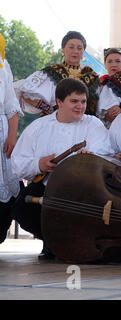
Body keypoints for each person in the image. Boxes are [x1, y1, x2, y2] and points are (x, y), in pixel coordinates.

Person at [10, 78, 111, 257]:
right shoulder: (38, 127)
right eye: (74, 101)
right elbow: (17, 163)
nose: (80, 106)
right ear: (59, 102)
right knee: (21, 207)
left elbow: (105, 152)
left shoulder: (93, 124)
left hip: (84, 192)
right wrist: (38, 164)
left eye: (83, 101)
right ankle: (51, 241)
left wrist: (90, 158)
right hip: (48, 189)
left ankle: (74, 243)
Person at [14, 31, 100, 116]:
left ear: (83, 52)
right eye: (71, 47)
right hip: (55, 124)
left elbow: (99, 108)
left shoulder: (92, 76)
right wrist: (52, 111)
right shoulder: (52, 72)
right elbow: (26, 94)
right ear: (63, 50)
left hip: (85, 126)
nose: (75, 51)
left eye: (79, 48)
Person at [0, 34, 23, 244]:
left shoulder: (2, 63)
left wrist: (12, 136)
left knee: (5, 186)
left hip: (1, 133)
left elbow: (10, 104)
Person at [97, 48, 121, 127]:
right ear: (105, 64)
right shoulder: (99, 84)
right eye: (110, 61)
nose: (114, 64)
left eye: (118, 61)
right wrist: (105, 114)